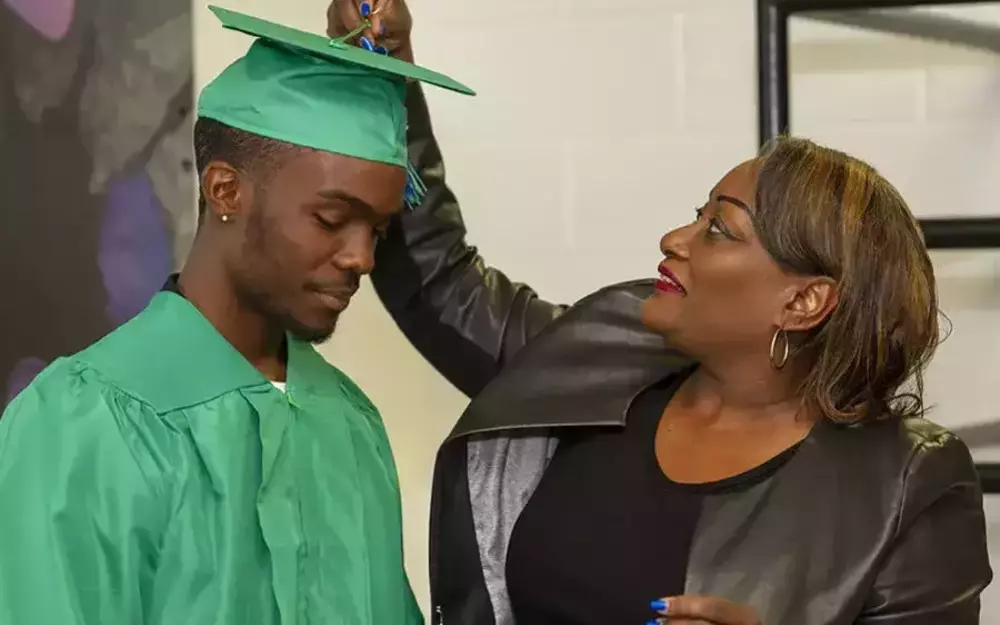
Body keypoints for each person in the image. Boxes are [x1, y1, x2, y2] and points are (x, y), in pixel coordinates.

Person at [328, 2, 994, 624]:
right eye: (696, 213)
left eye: (720, 229)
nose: (675, 239)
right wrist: (388, 75)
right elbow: (439, 279)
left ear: (802, 301)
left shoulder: (909, 486)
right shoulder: (600, 350)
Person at [0, 6, 472, 624]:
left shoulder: (351, 425)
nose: (360, 257)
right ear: (225, 190)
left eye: (377, 231)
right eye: (332, 219)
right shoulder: (79, 422)